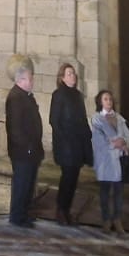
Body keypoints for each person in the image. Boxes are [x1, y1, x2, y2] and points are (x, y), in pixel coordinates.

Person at [48, 62, 92, 226]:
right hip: (66, 144)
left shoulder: (78, 95)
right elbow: (54, 120)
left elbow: (82, 119)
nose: (72, 76)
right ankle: (60, 209)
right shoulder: (58, 95)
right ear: (62, 78)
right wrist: (64, 139)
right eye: (69, 74)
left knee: (74, 178)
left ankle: (67, 209)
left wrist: (87, 138)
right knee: (67, 178)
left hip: (78, 143)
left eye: (73, 73)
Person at [90, 89, 129, 235]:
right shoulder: (96, 119)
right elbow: (98, 138)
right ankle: (106, 219)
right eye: (105, 99)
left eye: (110, 99)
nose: (109, 101)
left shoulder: (119, 118)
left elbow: (126, 134)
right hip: (105, 160)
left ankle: (117, 219)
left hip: (118, 160)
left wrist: (125, 142)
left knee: (119, 192)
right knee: (105, 192)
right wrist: (115, 143)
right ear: (100, 102)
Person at [5, 65, 43, 228]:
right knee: (22, 183)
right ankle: (17, 216)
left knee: (29, 183)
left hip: (31, 149)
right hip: (23, 151)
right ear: (21, 80)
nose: (32, 81)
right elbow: (15, 127)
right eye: (30, 78)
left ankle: (24, 212)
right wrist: (26, 146)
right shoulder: (15, 97)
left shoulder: (25, 96)